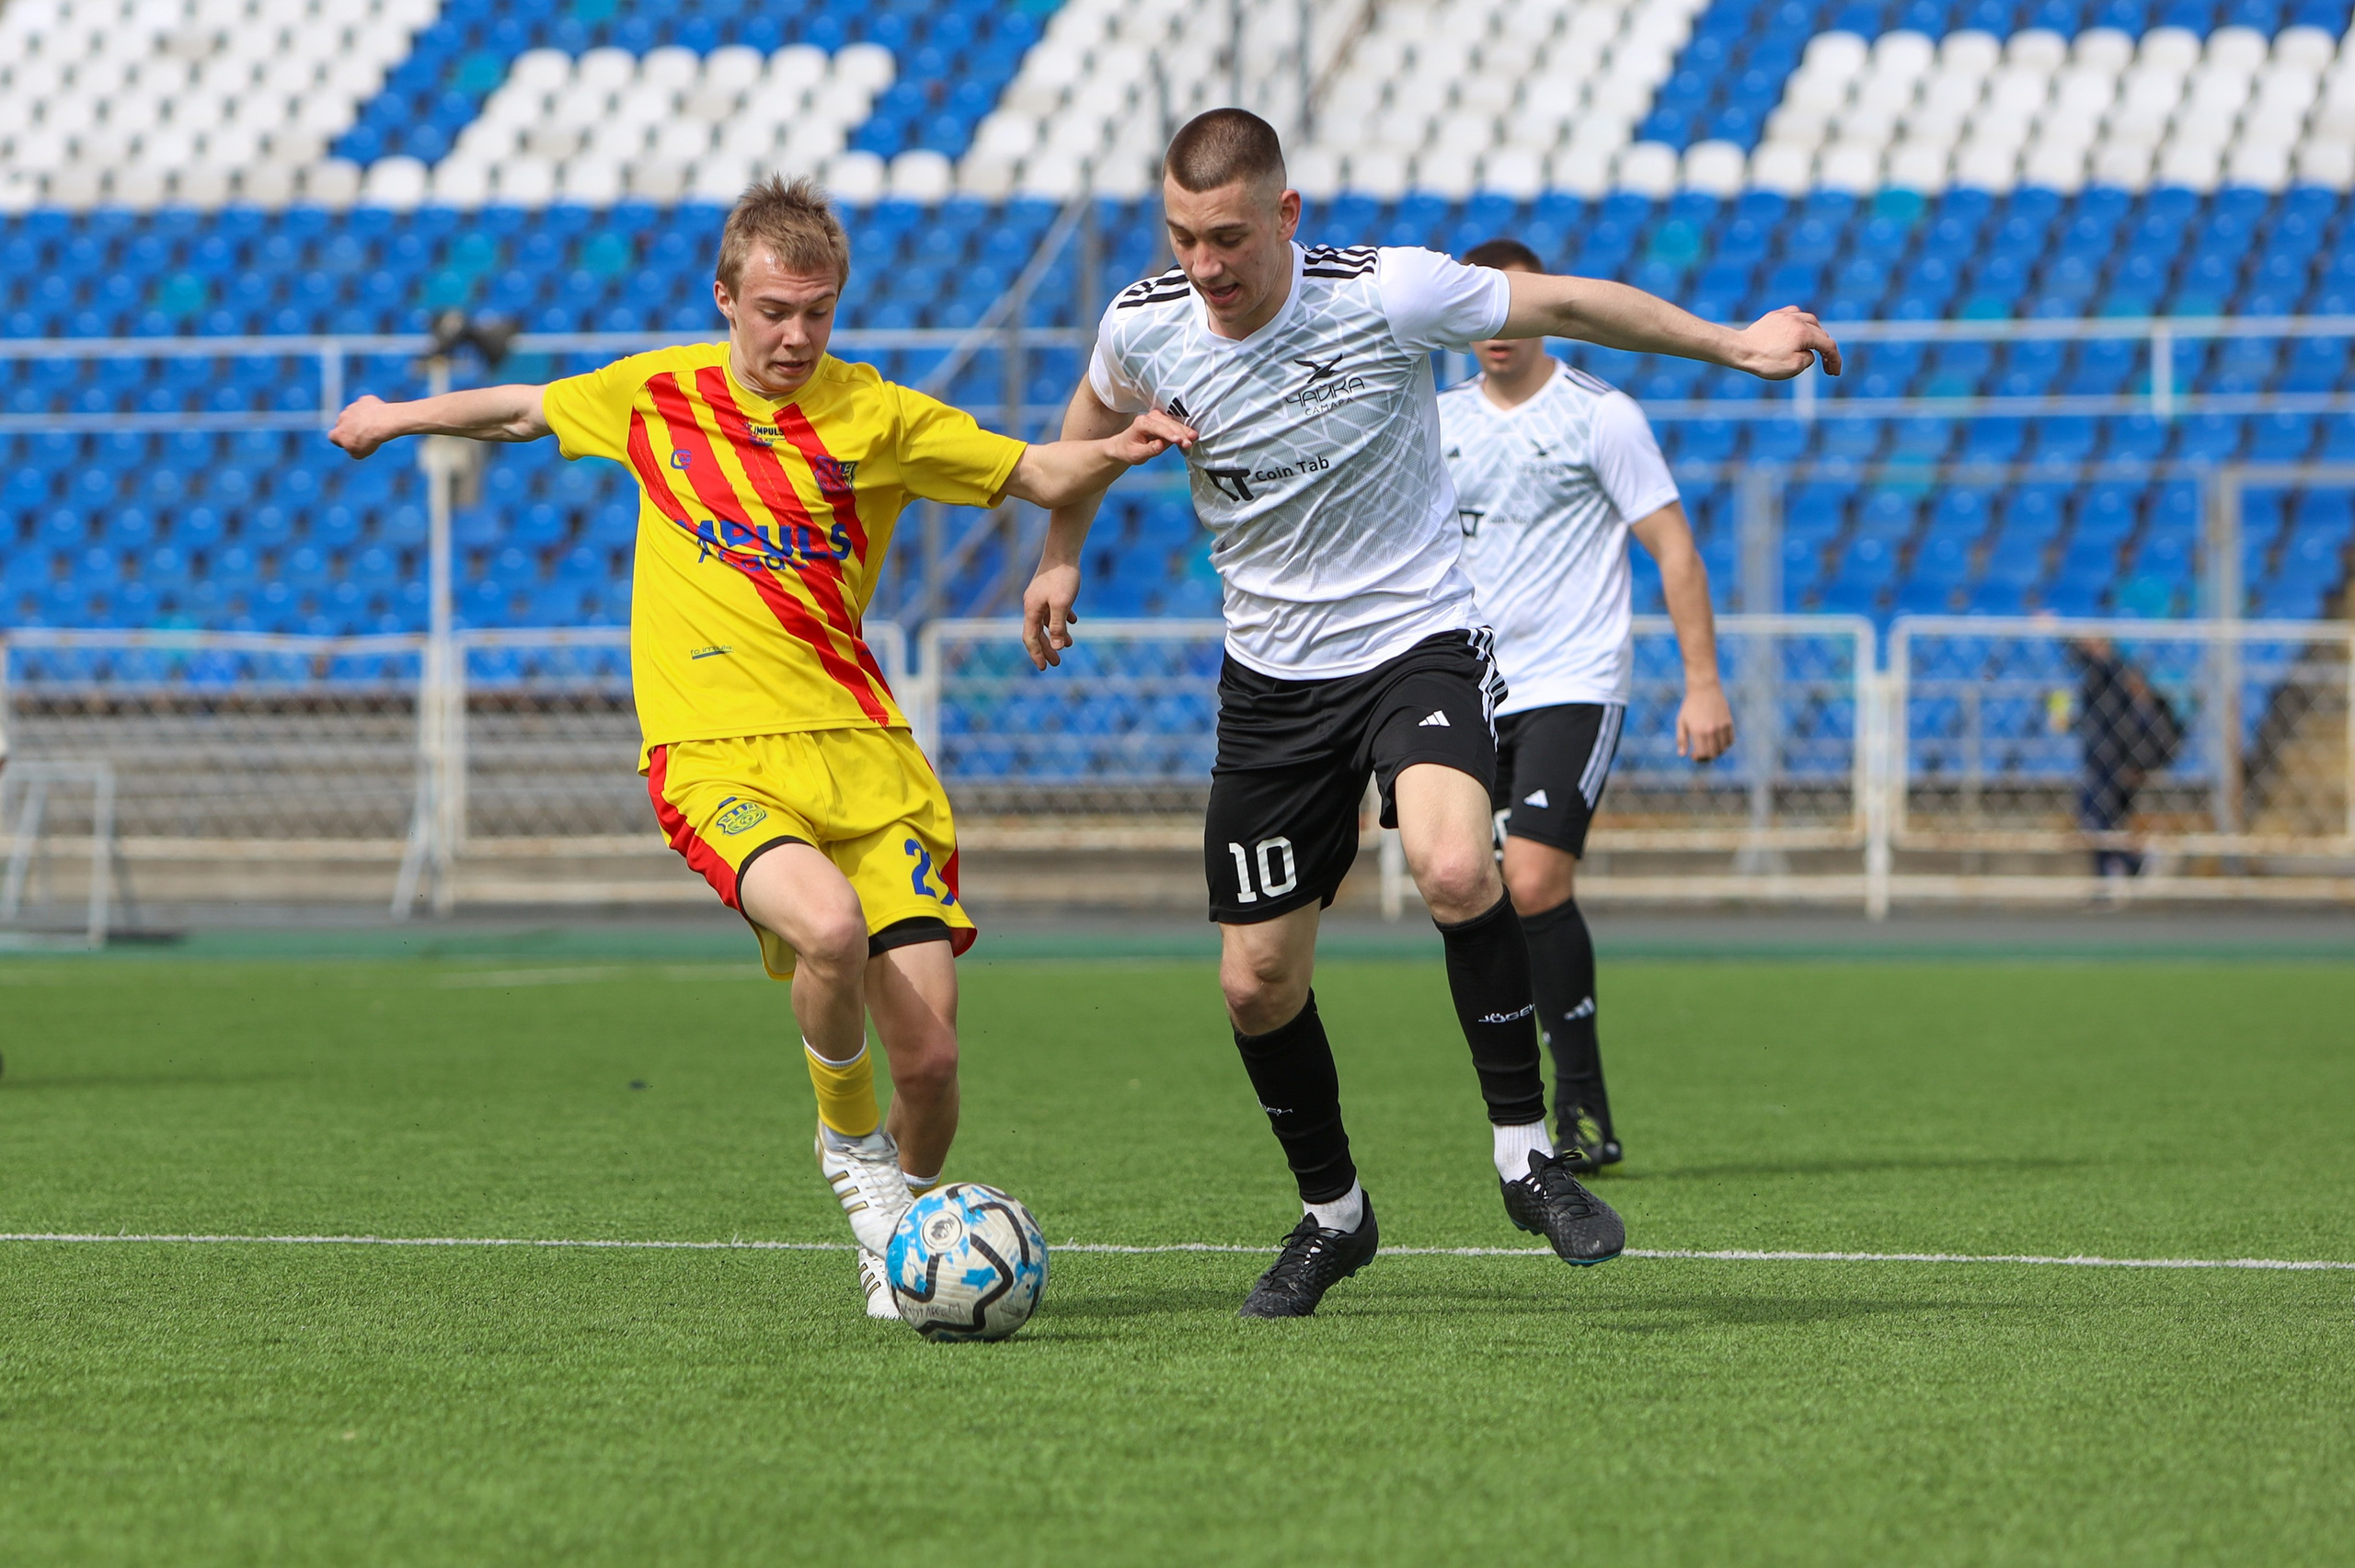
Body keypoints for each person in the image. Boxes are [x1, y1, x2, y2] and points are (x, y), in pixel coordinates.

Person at [328, 176, 1193, 1318]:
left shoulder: (876, 416)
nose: (796, 335)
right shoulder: (656, 397)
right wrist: (396, 417)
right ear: (726, 298)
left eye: (817, 312)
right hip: (716, 755)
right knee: (827, 928)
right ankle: (854, 1156)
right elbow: (524, 409)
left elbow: (1036, 470)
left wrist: (1122, 447)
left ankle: (898, 1247)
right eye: (775, 310)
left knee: (932, 1068)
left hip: (867, 759)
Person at [1022, 110, 1839, 1317]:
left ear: (1286, 217)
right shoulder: (1143, 322)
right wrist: (1059, 554)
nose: (1205, 264)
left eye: (1229, 236)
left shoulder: (1386, 293)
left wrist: (1733, 343)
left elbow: (1569, 304)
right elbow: (1085, 426)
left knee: (1459, 868)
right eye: (1184, 237)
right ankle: (1334, 1215)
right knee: (1255, 983)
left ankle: (1526, 1156)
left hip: (1418, 643)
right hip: (1271, 685)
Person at [1439, 236, 1735, 1175]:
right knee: (1473, 892)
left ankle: (1583, 1107)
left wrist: (1702, 681)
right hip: (1468, 688)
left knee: (1532, 881)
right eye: (1483, 308)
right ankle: (1521, 1111)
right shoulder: (1435, 421)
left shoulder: (1601, 415)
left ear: (1545, 309)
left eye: (1516, 304)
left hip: (1573, 680)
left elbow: (1674, 548)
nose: (1499, 326)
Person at [2063, 635, 2181, 885]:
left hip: (2118, 761)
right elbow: (2095, 720)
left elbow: (2137, 725)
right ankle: (2117, 870)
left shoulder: (2117, 673)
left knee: (2100, 817)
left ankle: (2131, 864)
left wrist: (2138, 762)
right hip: (2101, 760)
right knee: (2098, 819)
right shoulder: (2099, 677)